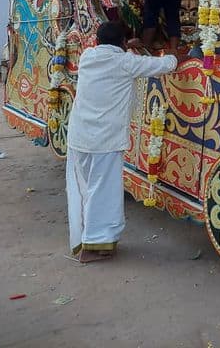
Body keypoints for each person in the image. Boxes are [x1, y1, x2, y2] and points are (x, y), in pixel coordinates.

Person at [65, 21, 181, 262]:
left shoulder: (88, 57)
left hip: (79, 137)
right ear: (122, 42)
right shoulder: (125, 62)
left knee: (85, 189)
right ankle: (94, 246)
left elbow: (112, 51)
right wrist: (174, 54)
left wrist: (127, 46)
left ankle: (86, 239)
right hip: (104, 140)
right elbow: (165, 64)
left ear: (98, 41)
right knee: (103, 192)